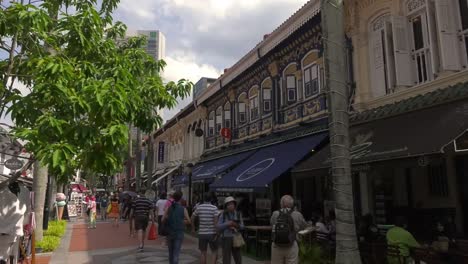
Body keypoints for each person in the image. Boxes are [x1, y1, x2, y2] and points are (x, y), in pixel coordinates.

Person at [270, 195, 307, 264]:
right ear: (292, 204)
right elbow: (304, 227)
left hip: (277, 245)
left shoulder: (275, 213)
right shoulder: (297, 214)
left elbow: (272, 224)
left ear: (281, 204)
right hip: (291, 244)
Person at [163, 191, 191, 264]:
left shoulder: (168, 208)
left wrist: (168, 218)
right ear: (180, 198)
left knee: (171, 253)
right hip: (179, 233)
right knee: (176, 253)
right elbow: (189, 221)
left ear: (173, 198)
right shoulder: (183, 209)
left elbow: (162, 220)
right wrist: (181, 221)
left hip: (169, 232)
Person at [191, 193, 219, 264]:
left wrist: (193, 228)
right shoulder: (214, 208)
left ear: (203, 199)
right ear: (211, 199)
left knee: (203, 253)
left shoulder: (199, 207)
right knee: (214, 251)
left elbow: (192, 217)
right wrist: (217, 232)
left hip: (202, 233)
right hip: (212, 233)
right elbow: (216, 222)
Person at [217, 196, 244, 264]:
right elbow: (218, 226)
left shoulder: (238, 214)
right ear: (226, 206)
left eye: (232, 204)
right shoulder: (223, 214)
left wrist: (235, 225)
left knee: (238, 258)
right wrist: (227, 224)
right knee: (226, 258)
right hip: (226, 238)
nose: (230, 206)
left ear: (235, 205)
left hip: (236, 237)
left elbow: (242, 227)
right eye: (228, 204)